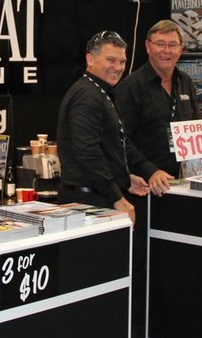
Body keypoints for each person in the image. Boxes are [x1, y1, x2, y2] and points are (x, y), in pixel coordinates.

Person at [115, 20, 202, 338]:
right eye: (160, 44)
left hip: (180, 187)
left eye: (173, 45)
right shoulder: (132, 86)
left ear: (181, 49)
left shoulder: (185, 83)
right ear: (148, 47)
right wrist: (149, 170)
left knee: (173, 260)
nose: (166, 50)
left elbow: (194, 127)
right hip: (144, 188)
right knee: (143, 261)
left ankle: (167, 327)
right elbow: (120, 140)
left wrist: (201, 166)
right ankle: (138, 332)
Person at [56, 30, 169, 224]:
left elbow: (116, 143)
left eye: (122, 61)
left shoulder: (102, 91)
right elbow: (88, 152)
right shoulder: (86, 95)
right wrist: (118, 198)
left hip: (96, 198)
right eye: (111, 60)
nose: (117, 67)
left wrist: (125, 177)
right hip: (87, 203)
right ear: (90, 59)